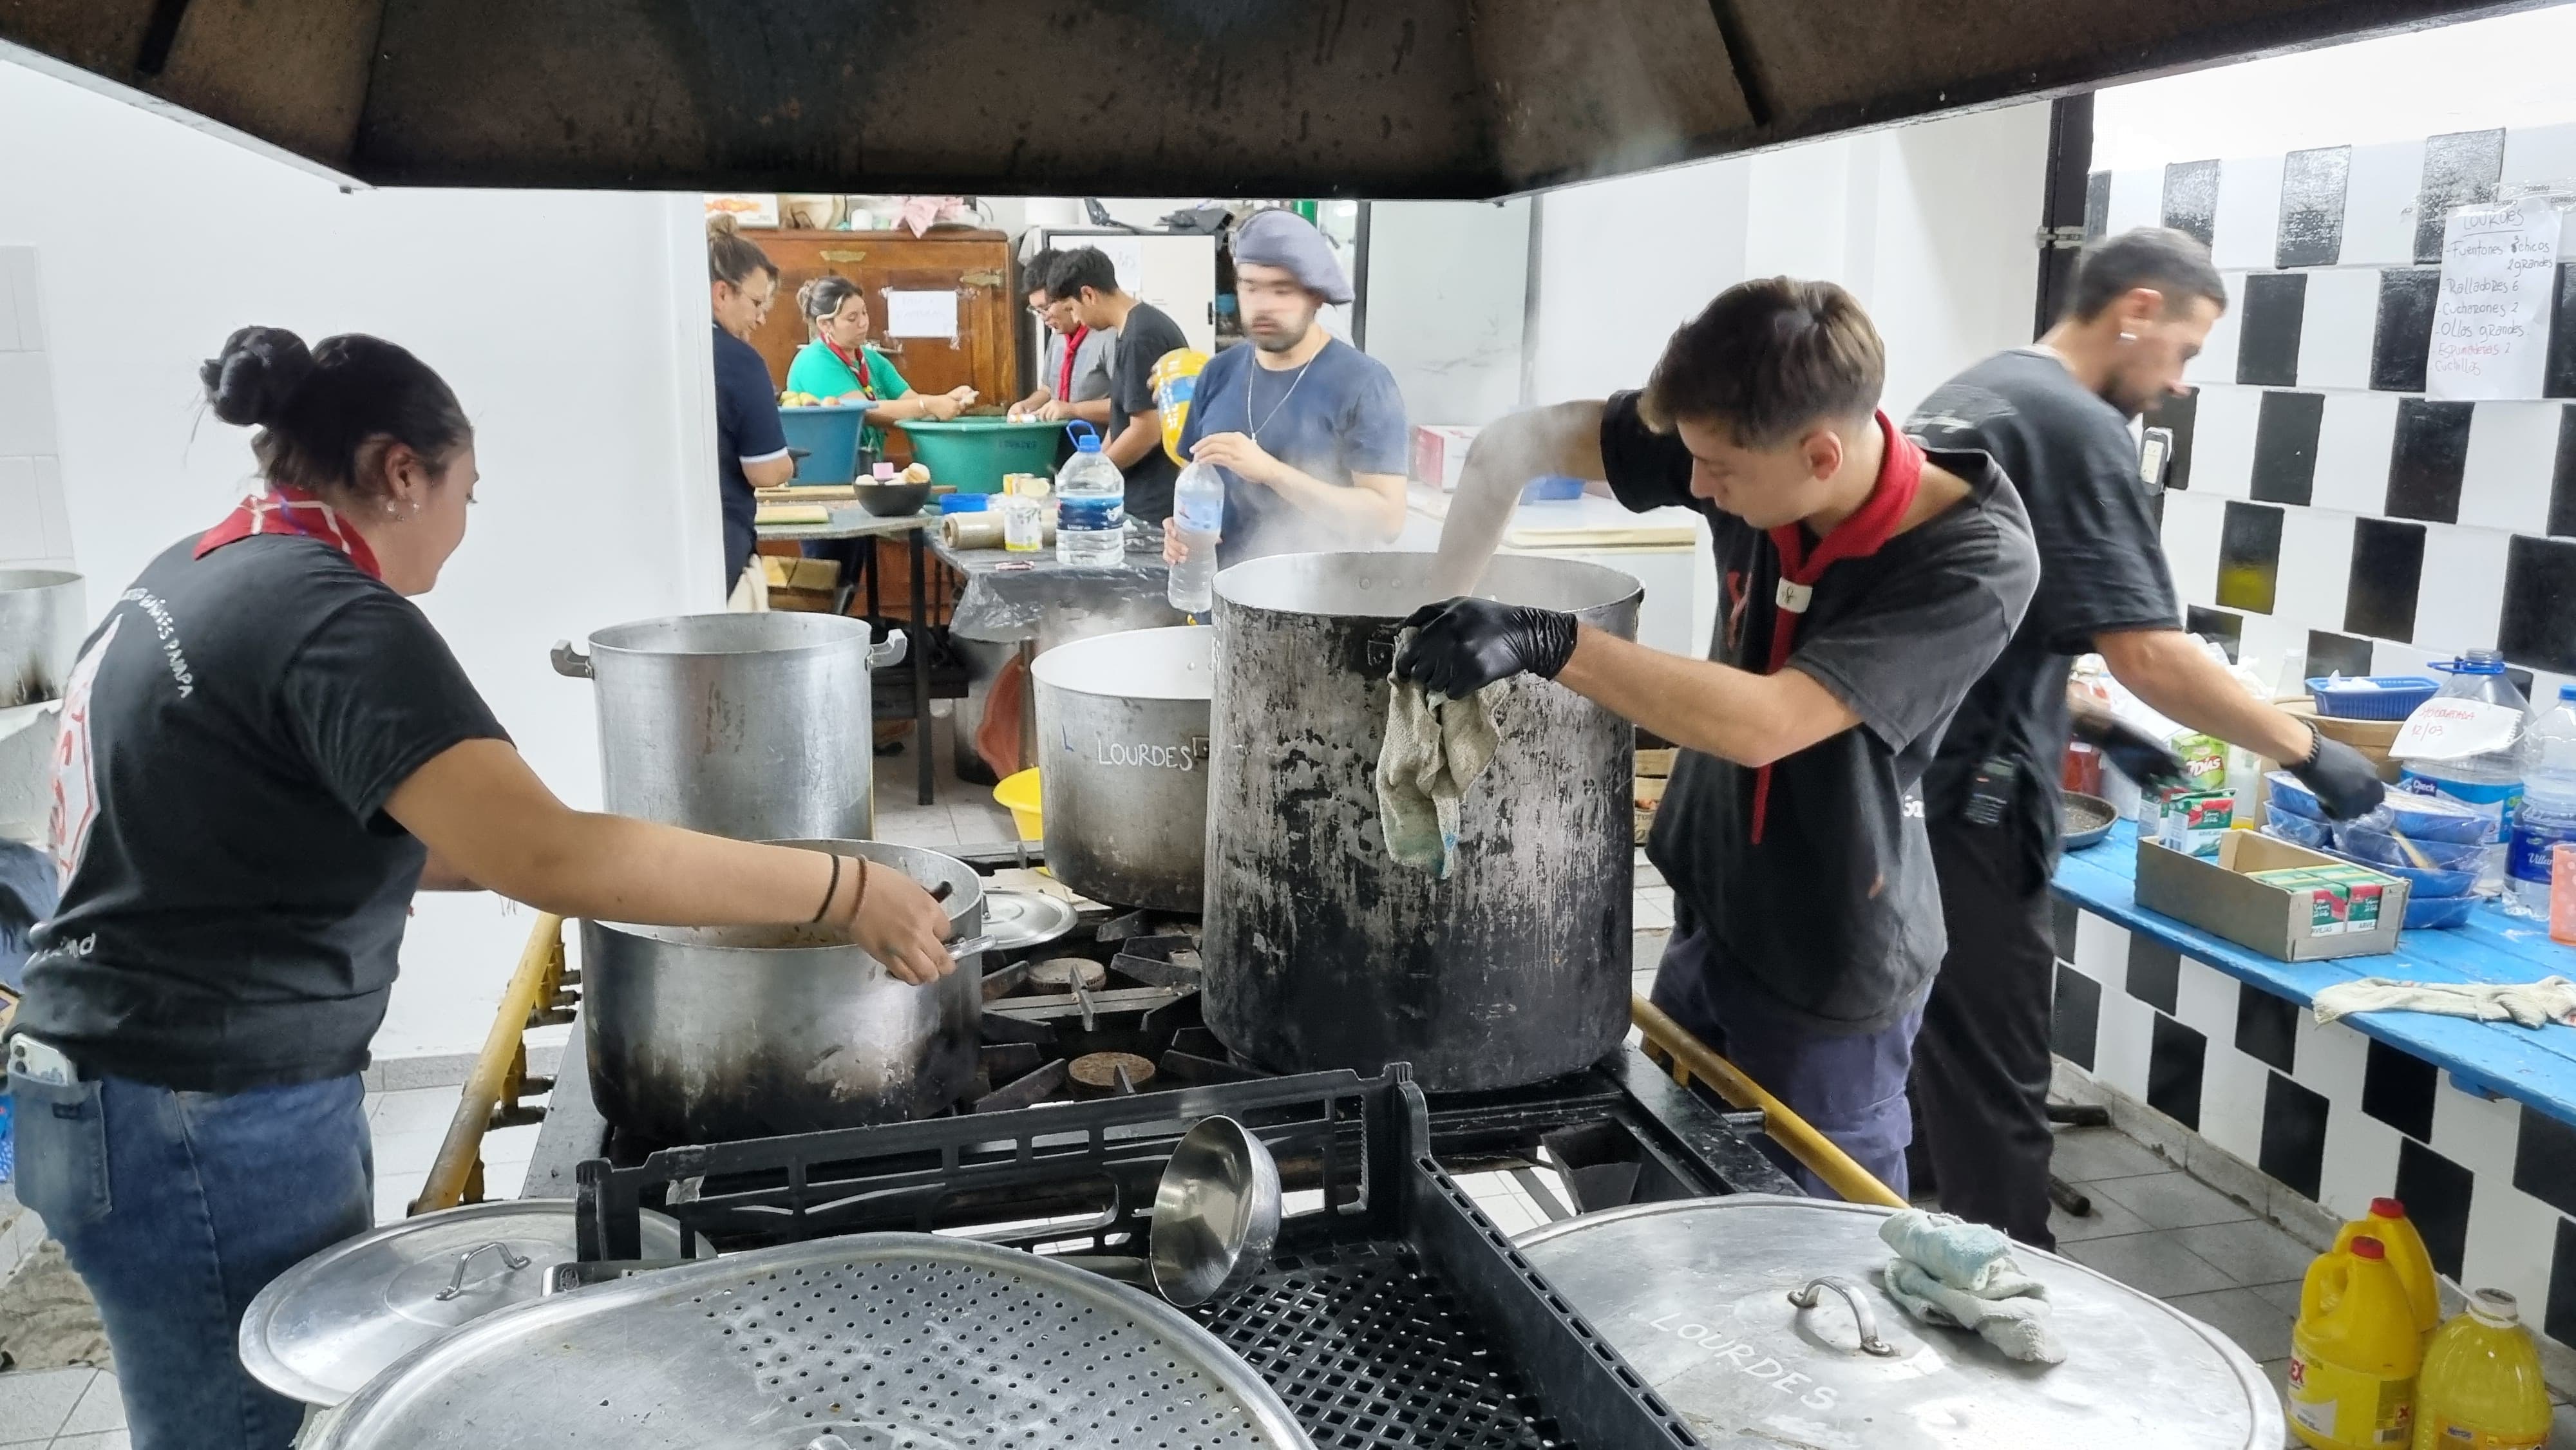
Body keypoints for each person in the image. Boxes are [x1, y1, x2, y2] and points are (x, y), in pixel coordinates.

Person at [5, 326, 958, 1450]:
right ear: (401, 473)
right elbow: (540, 855)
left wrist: (639, 858)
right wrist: (845, 889)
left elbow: (410, 834)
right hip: (200, 1114)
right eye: (467, 492)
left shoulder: (202, 570)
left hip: (114, 1088)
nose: (462, 527)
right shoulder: (334, 618)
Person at [1414, 279, 2040, 1197]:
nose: (1693, 484)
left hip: (1831, 964)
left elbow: (1769, 723)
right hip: (1715, 919)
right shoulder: (1743, 443)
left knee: (1813, 1256)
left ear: (1821, 455)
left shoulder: (1973, 559)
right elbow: (1510, 451)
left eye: (1717, 472)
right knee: (1665, 1207)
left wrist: (1546, 639)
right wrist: (1428, 624)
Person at [1903, 227, 2385, 1247]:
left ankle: (1922, 1239)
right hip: (1974, 794)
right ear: (2137, 310)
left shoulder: (1978, 390)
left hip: (1906, 771)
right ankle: (2012, 1291)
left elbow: (1964, 613)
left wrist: (2088, 720)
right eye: (2187, 351)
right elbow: (2152, 652)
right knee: (1998, 1059)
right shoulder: (2075, 424)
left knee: (1930, 1032)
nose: (2177, 384)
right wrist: (2310, 755)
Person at [1166, 209, 1408, 567]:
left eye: (1282, 290)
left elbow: (1387, 520)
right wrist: (1180, 526)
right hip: (1216, 598)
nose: (1263, 306)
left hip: (1318, 606)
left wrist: (1271, 472)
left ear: (1317, 297)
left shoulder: (1364, 383)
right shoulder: (1218, 372)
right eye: (1250, 287)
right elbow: (1193, 474)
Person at [1048, 246, 1192, 524]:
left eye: (1072, 309)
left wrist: (1096, 477)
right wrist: (1092, 464)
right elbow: (1122, 419)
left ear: (1088, 295)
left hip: (1153, 500)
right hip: (1134, 491)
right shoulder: (1128, 331)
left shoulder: (1142, 336)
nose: (1076, 320)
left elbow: (1148, 429)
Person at [785, 274, 978, 462]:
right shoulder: (814, 362)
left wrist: (947, 401)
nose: (864, 323)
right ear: (825, 324)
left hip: (866, 467)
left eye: (864, 312)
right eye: (852, 318)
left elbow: (911, 402)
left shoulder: (871, 359)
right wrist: (929, 405)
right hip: (825, 471)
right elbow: (863, 411)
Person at [708, 215, 795, 605]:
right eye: (757, 303)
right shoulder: (738, 360)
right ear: (722, 293)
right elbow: (765, 469)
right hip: (720, 544)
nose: (761, 318)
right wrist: (787, 463)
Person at [1007, 248, 1112, 426]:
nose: (1043, 317)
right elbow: (1048, 390)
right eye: (1036, 310)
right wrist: (1027, 405)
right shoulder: (1057, 337)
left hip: (1099, 445)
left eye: (1046, 308)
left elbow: (1126, 407)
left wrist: (1072, 410)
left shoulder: (1108, 336)